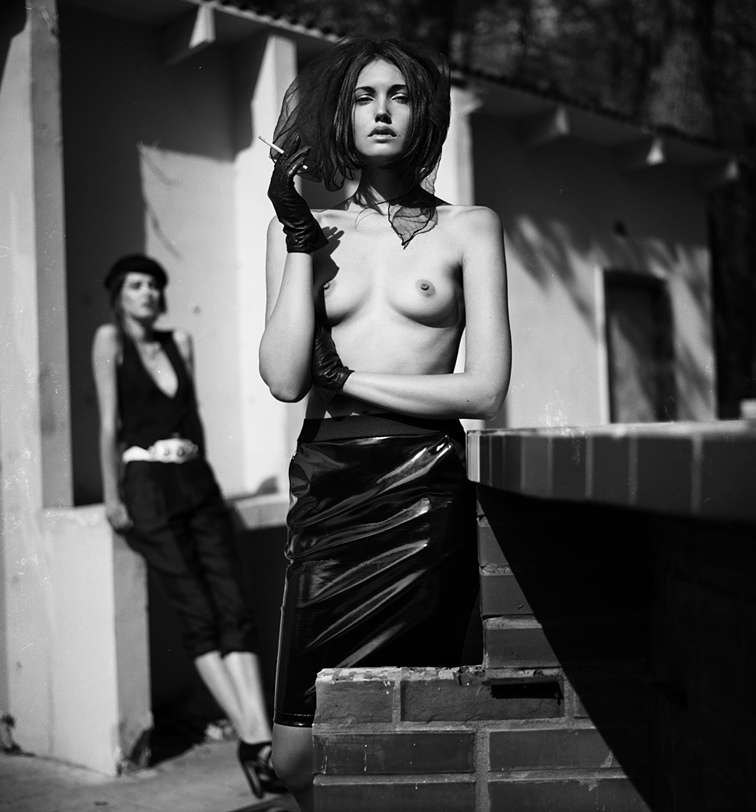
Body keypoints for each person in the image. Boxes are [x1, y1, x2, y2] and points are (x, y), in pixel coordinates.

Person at [259, 37, 512, 811]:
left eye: (398, 95)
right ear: (341, 115)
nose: (381, 111)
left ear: (421, 113)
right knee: (295, 752)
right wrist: (299, 239)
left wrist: (351, 380)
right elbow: (284, 378)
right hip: (330, 489)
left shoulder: (472, 227)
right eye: (364, 96)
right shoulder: (306, 230)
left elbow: (485, 388)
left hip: (424, 486)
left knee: (411, 723)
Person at [92, 255, 281, 799]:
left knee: (233, 604)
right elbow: (108, 425)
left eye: (154, 285)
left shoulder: (181, 342)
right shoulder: (110, 340)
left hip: (197, 481)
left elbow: (193, 414)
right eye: (136, 285)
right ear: (119, 294)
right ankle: (254, 739)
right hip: (147, 486)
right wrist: (112, 496)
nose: (148, 292)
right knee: (198, 611)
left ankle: (259, 736)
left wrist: (204, 476)